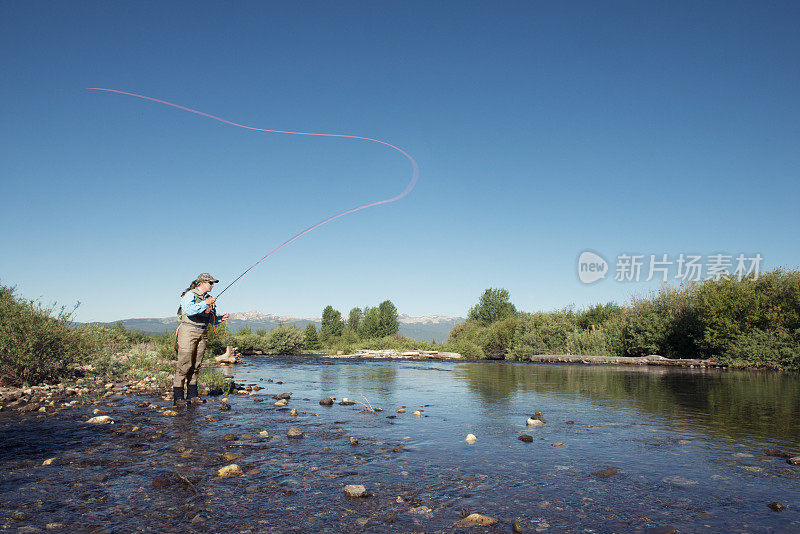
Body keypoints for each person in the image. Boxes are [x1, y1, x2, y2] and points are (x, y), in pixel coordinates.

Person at [174, 273, 229, 406]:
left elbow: (212, 320)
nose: (212, 285)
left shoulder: (208, 299)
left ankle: (193, 395)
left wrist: (221, 319)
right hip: (188, 331)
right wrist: (205, 303)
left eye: (213, 283)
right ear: (201, 283)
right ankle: (178, 397)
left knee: (196, 365)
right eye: (210, 283)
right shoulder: (190, 295)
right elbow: (189, 311)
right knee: (184, 364)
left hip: (202, 332)